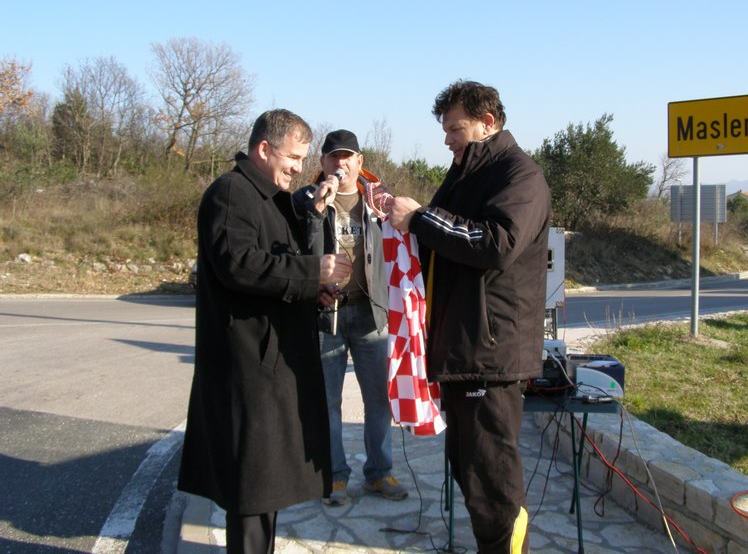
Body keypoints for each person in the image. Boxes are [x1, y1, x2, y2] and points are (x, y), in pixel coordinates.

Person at [178, 109, 352, 554]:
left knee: (265, 488)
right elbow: (240, 265)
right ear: (263, 149)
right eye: (293, 157)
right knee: (252, 491)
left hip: (270, 364)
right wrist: (313, 272)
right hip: (247, 365)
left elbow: (275, 271)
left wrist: (313, 291)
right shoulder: (231, 193)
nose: (299, 167)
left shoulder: (271, 196)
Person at [387, 81, 551, 554]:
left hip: (490, 352)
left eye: (455, 129)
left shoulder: (519, 175)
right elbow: (443, 236)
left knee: (491, 481)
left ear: (489, 123)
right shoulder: (465, 173)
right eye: (445, 130)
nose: (447, 140)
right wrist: (400, 219)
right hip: (462, 349)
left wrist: (419, 218)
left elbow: (496, 244)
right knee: (470, 470)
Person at [293, 129, 408, 506]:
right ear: (322, 163)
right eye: (332, 157)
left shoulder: (378, 204)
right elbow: (298, 255)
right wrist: (317, 212)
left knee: (378, 400)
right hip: (327, 315)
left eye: (348, 157)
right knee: (328, 402)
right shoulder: (304, 202)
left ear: (360, 163)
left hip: (371, 314)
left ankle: (379, 473)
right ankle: (334, 476)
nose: (340, 163)